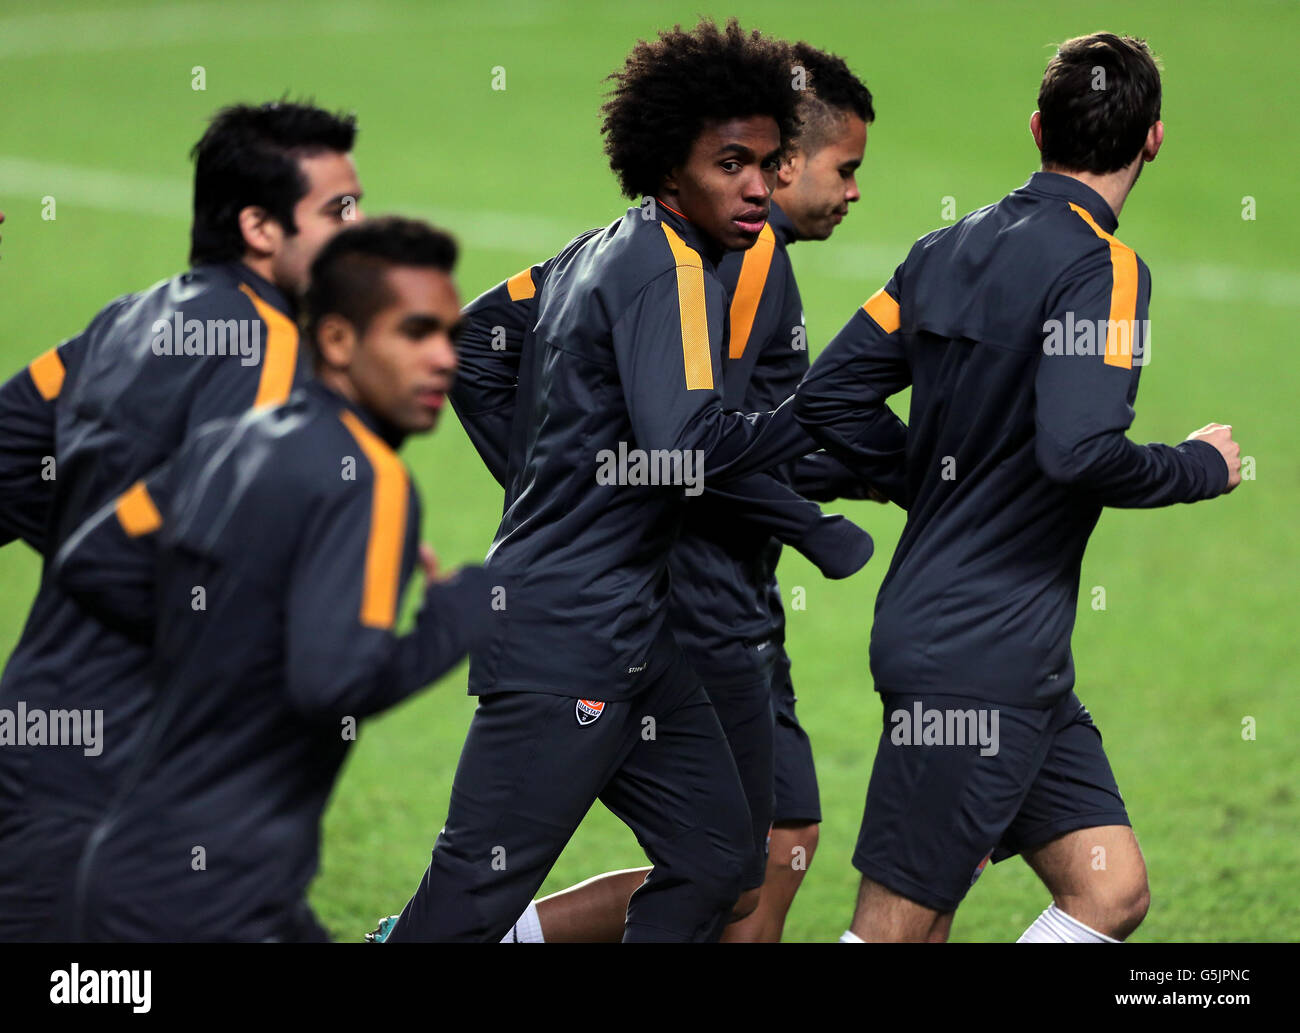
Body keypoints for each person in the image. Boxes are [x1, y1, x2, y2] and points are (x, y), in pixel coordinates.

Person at [381, 19, 882, 944]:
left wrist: (555, 478)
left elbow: (485, 347)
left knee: (722, 859)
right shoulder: (666, 270)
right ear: (666, 165)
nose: (757, 187)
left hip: (638, 637)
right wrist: (821, 428)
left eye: (770, 163)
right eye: (730, 162)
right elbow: (687, 440)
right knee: (463, 907)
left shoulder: (609, 250)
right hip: (564, 639)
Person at [793, 33, 1243, 943]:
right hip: (976, 660)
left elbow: (830, 396)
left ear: (1038, 127)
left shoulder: (943, 249)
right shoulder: (1103, 269)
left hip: (1010, 660)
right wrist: (1199, 465)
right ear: (1153, 140)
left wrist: (929, 474)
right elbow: (1078, 449)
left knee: (1110, 889)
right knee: (897, 929)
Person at [50, 216, 497, 941]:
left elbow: (92, 560)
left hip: (136, 866)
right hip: (215, 900)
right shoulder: (371, 481)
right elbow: (333, 687)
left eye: (449, 334)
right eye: (415, 333)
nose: (444, 358)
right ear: (339, 340)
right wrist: (460, 611)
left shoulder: (228, 444)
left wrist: (228, 636)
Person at [0, 100, 362, 941]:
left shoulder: (123, 324)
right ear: (260, 228)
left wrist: (90, 549)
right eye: (339, 209)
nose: (362, 227)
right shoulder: (274, 353)